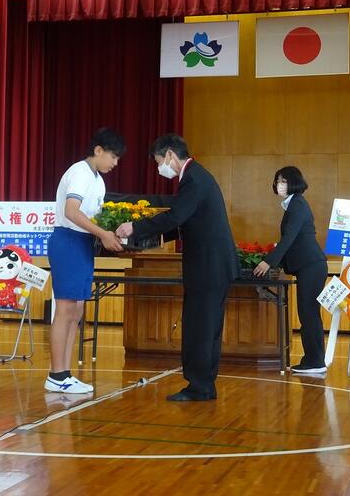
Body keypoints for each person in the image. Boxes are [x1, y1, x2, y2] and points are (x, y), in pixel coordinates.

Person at [117, 134, 237, 402]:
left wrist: (134, 227)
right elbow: (185, 222)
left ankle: (198, 387)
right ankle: (205, 385)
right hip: (215, 266)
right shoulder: (199, 175)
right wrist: (149, 235)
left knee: (199, 328)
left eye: (159, 161)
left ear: (170, 154)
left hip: (207, 266)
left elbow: (175, 217)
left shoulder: (193, 179)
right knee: (208, 328)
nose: (160, 168)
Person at [45, 129, 125, 394]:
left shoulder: (98, 180)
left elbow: (92, 217)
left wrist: (110, 231)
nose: (115, 163)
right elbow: (71, 211)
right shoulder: (79, 172)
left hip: (82, 243)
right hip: (68, 240)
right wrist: (103, 234)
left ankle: (64, 373)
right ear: (98, 150)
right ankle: (56, 374)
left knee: (77, 310)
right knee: (65, 309)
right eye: (113, 156)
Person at [253, 166, 328, 375]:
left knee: (309, 314)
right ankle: (312, 360)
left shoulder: (298, 205)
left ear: (294, 182)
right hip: (308, 266)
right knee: (307, 313)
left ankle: (315, 362)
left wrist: (268, 262)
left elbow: (288, 239)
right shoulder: (293, 205)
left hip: (311, 265)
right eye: (278, 181)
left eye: (284, 181)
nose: (279, 185)